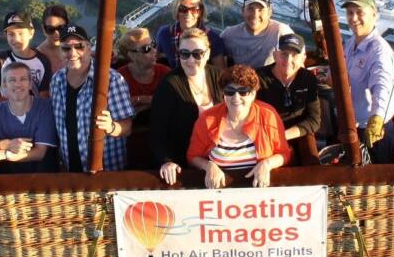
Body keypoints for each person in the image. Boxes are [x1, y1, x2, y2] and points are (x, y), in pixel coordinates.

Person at [48, 23, 135, 172]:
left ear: (89, 47)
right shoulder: (56, 81)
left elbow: (126, 128)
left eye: (79, 46)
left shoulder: (111, 80)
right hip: (71, 172)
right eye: (66, 48)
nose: (72, 53)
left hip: (107, 173)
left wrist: (111, 127)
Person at [187, 65, 290, 189]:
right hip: (219, 193)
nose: (236, 98)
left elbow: (284, 154)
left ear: (253, 94)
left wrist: (267, 164)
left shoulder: (268, 115)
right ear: (223, 94)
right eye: (229, 91)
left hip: (258, 192)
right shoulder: (207, 119)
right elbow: (192, 156)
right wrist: (208, 165)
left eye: (243, 92)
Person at [149, 28, 224, 184]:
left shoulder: (220, 77)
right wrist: (167, 160)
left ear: (208, 53)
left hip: (221, 161)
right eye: (184, 54)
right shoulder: (169, 84)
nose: (191, 60)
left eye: (197, 53)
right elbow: (157, 132)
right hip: (183, 166)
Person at [0, 62, 58, 172]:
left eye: (23, 79)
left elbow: (39, 153)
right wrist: (4, 144)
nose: (18, 84)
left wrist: (3, 154)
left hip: (42, 180)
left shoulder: (44, 108)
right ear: (4, 86)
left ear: (30, 84)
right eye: (12, 80)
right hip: (7, 181)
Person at [341, 0, 394, 162]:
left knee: (375, 178)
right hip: (353, 125)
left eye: (359, 12)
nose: (354, 18)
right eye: (350, 13)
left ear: (374, 15)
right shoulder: (351, 42)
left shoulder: (379, 51)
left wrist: (376, 118)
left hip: (375, 131)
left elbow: (382, 85)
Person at [256, 33, 322, 142]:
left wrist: (283, 136)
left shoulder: (308, 79)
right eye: (284, 54)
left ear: (303, 59)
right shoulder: (258, 78)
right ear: (275, 56)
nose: (288, 60)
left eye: (295, 55)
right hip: (265, 135)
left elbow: (314, 120)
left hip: (297, 134)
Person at [0, 11, 54, 106]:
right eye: (11, 34)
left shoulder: (42, 61)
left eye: (21, 33)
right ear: (6, 36)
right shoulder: (1, 59)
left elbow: (43, 98)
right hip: (8, 116)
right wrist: (18, 106)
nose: (16, 39)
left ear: (31, 33)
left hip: (33, 116)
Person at [219, 0, 294, 69]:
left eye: (260, 10)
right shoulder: (229, 35)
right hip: (242, 79)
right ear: (243, 11)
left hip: (270, 80)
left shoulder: (282, 32)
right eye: (250, 8)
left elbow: (297, 59)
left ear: (270, 12)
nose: (255, 15)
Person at [155, 0, 227, 69]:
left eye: (194, 10)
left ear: (200, 12)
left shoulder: (212, 38)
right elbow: (157, 63)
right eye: (183, 9)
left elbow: (221, 73)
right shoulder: (165, 34)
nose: (188, 14)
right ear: (177, 10)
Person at [116, 27, 170, 115]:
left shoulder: (164, 72)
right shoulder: (119, 79)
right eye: (146, 49)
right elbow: (120, 111)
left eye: (153, 44)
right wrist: (157, 101)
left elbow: (174, 100)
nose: (154, 50)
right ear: (131, 55)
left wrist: (141, 99)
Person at [35, 4, 71, 75]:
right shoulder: (37, 58)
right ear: (43, 29)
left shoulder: (75, 49)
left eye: (61, 28)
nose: (56, 33)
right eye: (50, 29)